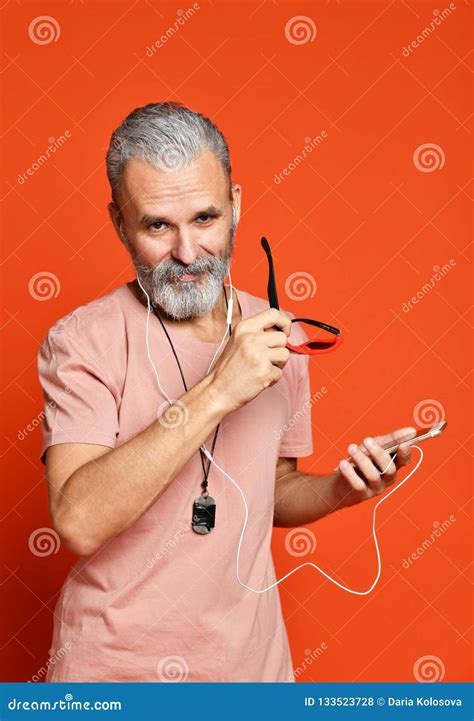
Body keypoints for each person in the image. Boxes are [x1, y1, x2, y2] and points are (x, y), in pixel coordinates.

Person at [37, 101, 415, 682]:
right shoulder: (82, 341)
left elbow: (275, 488)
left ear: (235, 205)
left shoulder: (275, 334)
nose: (188, 254)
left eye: (206, 218)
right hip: (114, 676)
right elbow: (79, 521)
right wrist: (219, 389)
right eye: (157, 225)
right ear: (119, 223)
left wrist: (343, 489)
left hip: (250, 672)